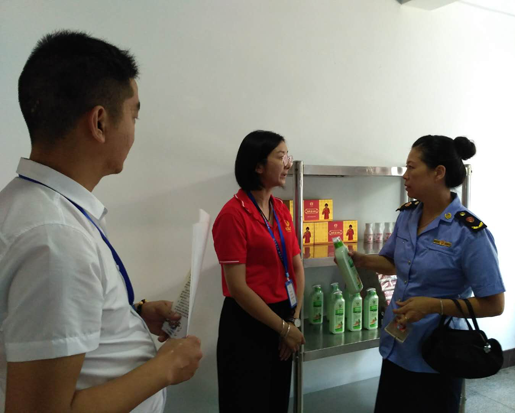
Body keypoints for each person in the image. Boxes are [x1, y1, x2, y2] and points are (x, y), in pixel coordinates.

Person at [0, 31, 202, 413]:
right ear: (99, 122)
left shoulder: (33, 205)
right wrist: (165, 368)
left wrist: (132, 313)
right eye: (133, 114)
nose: (134, 129)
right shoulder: (56, 241)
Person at [349, 135, 505, 413]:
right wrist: (363, 260)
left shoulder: (469, 233)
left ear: (438, 172)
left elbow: (494, 304)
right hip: (397, 348)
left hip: (439, 354)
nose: (405, 175)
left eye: (412, 167)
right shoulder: (408, 215)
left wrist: (433, 305)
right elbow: (393, 263)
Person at [212, 130, 305, 412]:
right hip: (247, 323)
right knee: (246, 402)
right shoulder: (233, 215)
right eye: (281, 156)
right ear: (258, 166)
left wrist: (292, 322)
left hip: (283, 319)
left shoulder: (281, 210)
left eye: (288, 156)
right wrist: (284, 328)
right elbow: (238, 288)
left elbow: (297, 267)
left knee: (276, 401)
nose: (288, 163)